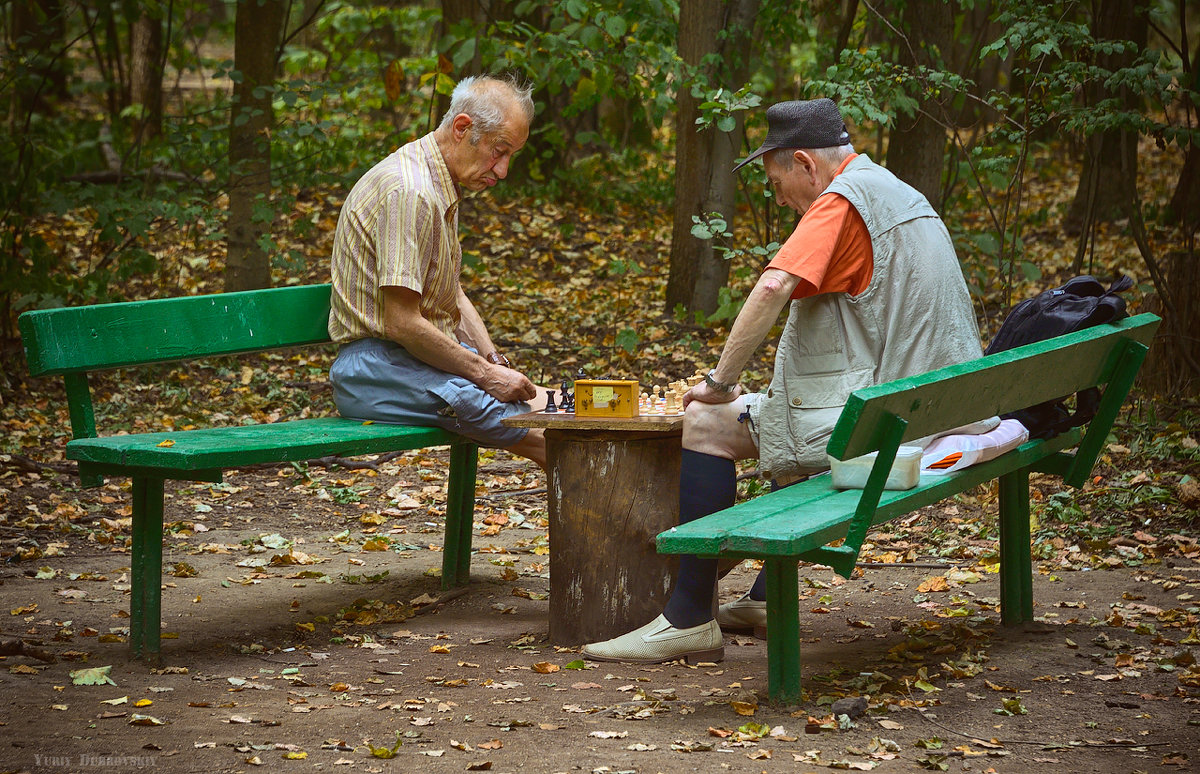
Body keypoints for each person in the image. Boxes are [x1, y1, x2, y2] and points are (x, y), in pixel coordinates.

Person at [582, 98, 985, 664]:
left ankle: (688, 617)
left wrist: (719, 384)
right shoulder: (900, 194)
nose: (779, 198)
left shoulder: (839, 203)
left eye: (776, 183)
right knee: (783, 408)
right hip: (938, 404)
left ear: (806, 164)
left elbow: (770, 289)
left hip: (890, 427)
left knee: (706, 421)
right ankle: (768, 598)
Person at [327, 74, 546, 470]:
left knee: (542, 405)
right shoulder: (410, 191)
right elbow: (402, 324)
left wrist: (493, 361)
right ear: (463, 128)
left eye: (510, 155)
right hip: (377, 369)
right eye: (499, 151)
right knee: (542, 434)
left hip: (414, 358)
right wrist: (485, 374)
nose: (503, 170)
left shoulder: (439, 180)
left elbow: (452, 293)